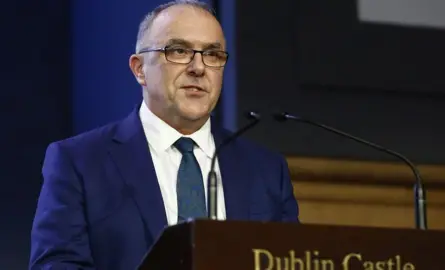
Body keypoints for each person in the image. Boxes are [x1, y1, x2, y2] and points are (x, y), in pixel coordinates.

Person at [29, 0, 299, 269]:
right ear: (139, 69)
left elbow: (289, 260)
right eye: (179, 51)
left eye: (212, 55)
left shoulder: (265, 170)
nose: (198, 67)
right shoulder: (79, 162)